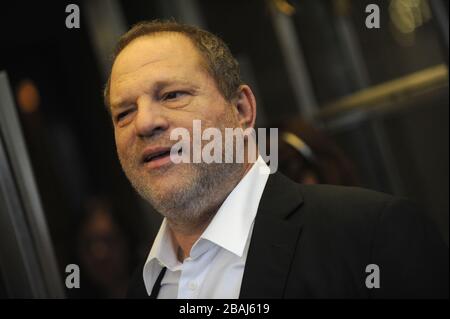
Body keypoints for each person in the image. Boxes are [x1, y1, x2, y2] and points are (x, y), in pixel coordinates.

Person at [104, 20, 448, 298]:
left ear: (241, 110)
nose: (145, 123)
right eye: (124, 113)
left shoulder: (370, 236)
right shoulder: (143, 287)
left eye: (172, 95)